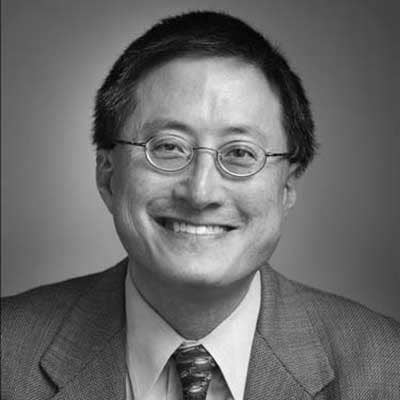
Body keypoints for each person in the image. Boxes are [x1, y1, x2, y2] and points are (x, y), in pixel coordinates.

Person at [2, 10, 399, 400]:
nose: (200, 192)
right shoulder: (9, 354)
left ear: (287, 185)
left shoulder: (385, 368)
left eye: (240, 153)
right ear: (108, 174)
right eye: (168, 147)